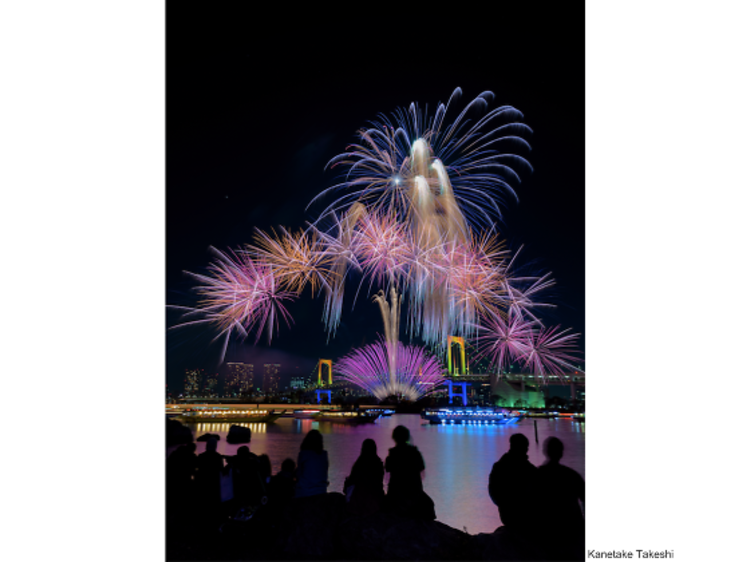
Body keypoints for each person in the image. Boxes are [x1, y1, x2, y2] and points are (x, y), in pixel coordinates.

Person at [537, 437, 586, 560]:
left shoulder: (537, 475)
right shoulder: (571, 475)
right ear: (561, 452)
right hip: (571, 528)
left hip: (545, 530)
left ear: (545, 451)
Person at [488, 433, 538, 533]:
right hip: (522, 515)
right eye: (525, 447)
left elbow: (493, 492)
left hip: (507, 514)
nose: (527, 450)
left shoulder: (499, 466)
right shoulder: (529, 469)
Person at [384, 425, 435, 520]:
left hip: (396, 493)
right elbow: (421, 468)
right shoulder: (415, 453)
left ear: (394, 438)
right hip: (414, 493)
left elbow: (388, 469)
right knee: (429, 505)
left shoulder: (393, 454)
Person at [344, 438, 385, 516]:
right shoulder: (378, 464)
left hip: (359, 503)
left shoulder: (359, 464)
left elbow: (351, 481)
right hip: (375, 503)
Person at [295, 429, 329, 498]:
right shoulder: (324, 455)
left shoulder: (303, 454)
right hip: (321, 491)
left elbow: (299, 474)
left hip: (304, 492)